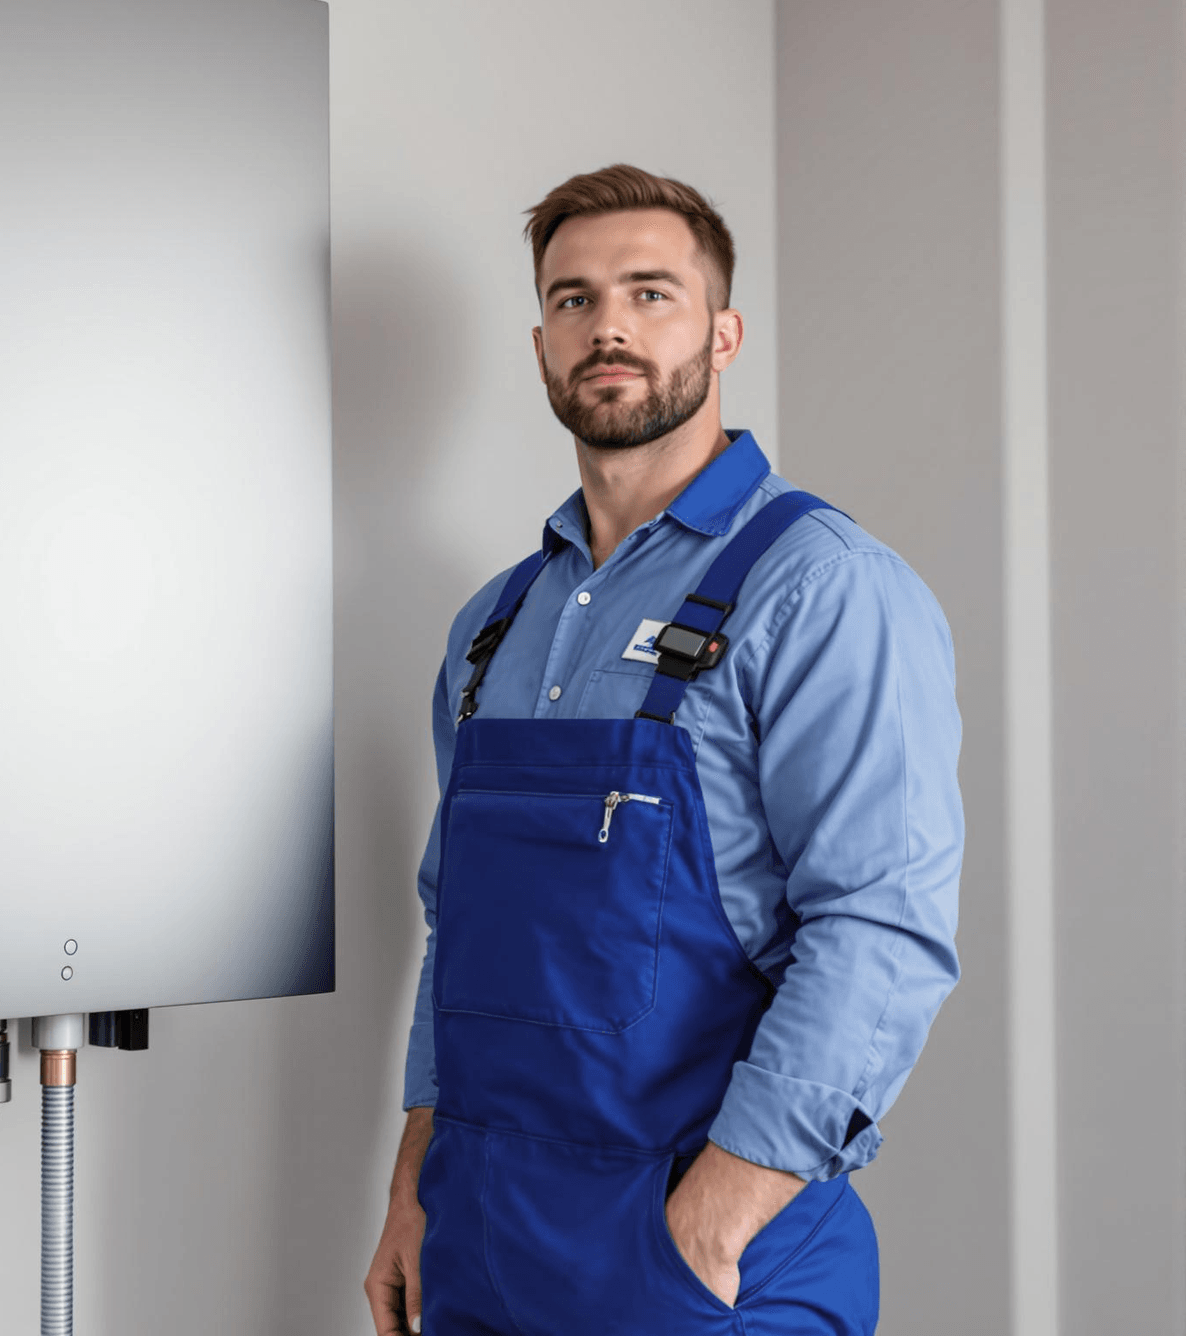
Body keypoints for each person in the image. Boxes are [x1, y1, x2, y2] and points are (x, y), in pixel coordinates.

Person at [362, 166, 964, 1335]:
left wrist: (709, 1225)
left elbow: (877, 928)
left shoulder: (822, 588)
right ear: (541, 341)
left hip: (696, 1257)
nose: (611, 326)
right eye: (575, 299)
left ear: (721, 331)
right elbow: (460, 929)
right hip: (478, 1244)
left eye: (650, 291)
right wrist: (410, 1188)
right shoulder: (492, 625)